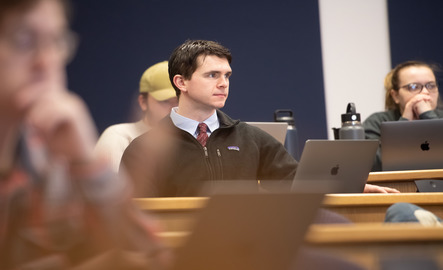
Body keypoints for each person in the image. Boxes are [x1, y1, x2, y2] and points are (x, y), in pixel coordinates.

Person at [0, 0, 169, 268]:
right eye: (24, 39)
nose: (47, 61)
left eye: (56, 41)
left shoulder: (48, 155)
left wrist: (85, 160)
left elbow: (149, 258)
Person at [121, 39, 398, 197]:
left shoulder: (250, 137)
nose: (223, 83)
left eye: (227, 75)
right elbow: (134, 212)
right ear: (181, 82)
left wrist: (352, 187)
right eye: (212, 75)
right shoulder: (144, 149)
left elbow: (295, 180)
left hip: (250, 241)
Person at [95, 61, 178, 172]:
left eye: (180, 100)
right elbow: (106, 189)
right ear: (143, 102)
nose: (174, 108)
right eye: (165, 101)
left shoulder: (197, 142)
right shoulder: (118, 137)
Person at [363, 60, 443, 171]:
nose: (425, 92)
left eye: (431, 86)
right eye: (414, 87)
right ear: (395, 95)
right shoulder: (377, 122)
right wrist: (405, 121)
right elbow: (372, 166)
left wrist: (428, 115)